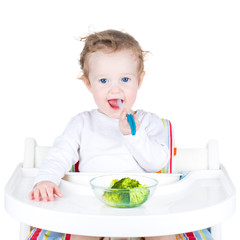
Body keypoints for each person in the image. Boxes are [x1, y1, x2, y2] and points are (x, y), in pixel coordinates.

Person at [28, 29, 171, 240]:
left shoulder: (148, 123)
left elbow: (156, 162)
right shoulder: (82, 124)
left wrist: (134, 135)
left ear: (139, 81)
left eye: (125, 79)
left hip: (142, 209)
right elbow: (59, 155)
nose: (115, 90)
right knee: (80, 235)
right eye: (104, 81)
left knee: (164, 233)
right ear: (88, 84)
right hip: (90, 209)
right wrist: (46, 180)